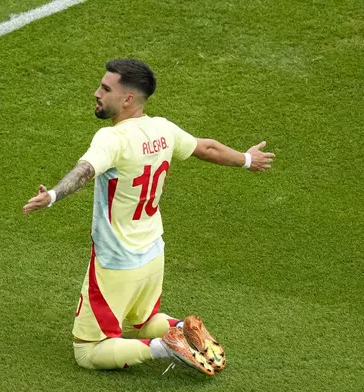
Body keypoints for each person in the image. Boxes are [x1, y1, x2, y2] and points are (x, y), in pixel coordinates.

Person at [22, 59, 275, 375]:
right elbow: (206, 148)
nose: (96, 93)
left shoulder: (112, 139)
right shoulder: (163, 129)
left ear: (127, 99)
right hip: (153, 253)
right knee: (142, 321)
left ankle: (165, 346)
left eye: (105, 88)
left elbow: (84, 171)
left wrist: (54, 195)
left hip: (116, 262)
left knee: (87, 352)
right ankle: (182, 328)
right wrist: (247, 159)